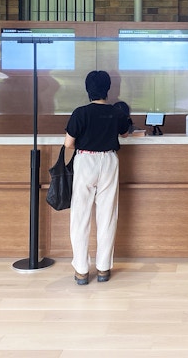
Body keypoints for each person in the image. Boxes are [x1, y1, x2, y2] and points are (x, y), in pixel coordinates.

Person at [64, 70, 130, 285]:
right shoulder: (116, 112)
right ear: (108, 89)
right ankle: (103, 268)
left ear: (87, 89)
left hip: (85, 161)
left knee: (80, 216)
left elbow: (68, 144)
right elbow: (125, 133)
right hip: (109, 161)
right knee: (107, 215)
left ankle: (81, 270)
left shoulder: (80, 113)